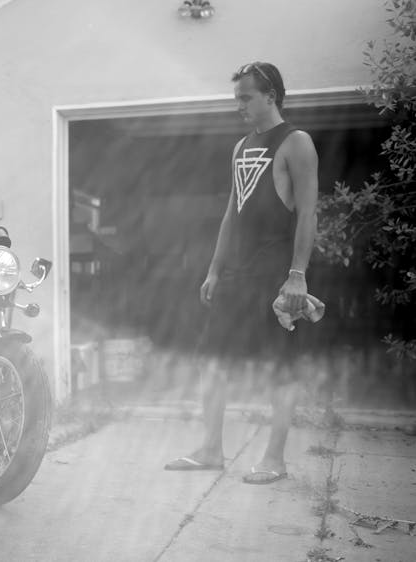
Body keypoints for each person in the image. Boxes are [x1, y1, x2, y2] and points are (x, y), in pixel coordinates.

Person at [163, 62, 319, 484]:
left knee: (278, 367)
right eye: (236, 99)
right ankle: (211, 449)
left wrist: (298, 275)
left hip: (275, 273)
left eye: (245, 98)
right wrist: (214, 268)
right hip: (236, 272)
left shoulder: (296, 142)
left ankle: (274, 459)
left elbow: (308, 213)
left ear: (270, 94)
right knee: (212, 361)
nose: (239, 106)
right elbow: (232, 212)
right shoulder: (240, 147)